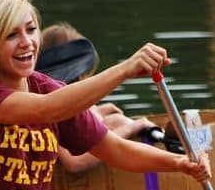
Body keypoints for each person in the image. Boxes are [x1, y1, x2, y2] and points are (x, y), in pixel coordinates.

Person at [0, 0, 210, 190]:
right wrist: (124, 69)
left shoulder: (48, 88)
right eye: (11, 35)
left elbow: (114, 150)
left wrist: (181, 163)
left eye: (31, 30)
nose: (27, 43)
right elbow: (46, 109)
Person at [39, 22, 159, 173]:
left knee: (114, 120)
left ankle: (168, 141)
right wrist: (132, 127)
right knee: (120, 122)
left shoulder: (58, 97)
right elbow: (75, 162)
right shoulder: (50, 105)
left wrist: (97, 111)